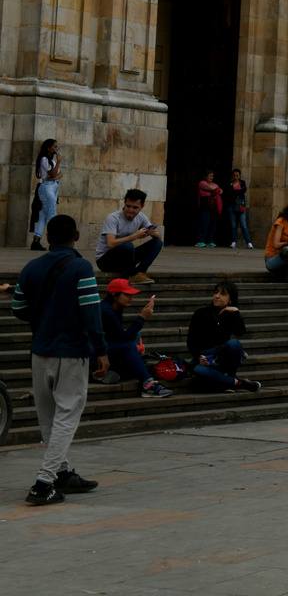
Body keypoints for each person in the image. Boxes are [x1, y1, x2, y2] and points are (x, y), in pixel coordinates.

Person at [11, 214, 106, 506]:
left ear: (47, 238)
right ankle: (43, 482)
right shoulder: (80, 267)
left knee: (49, 417)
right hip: (72, 351)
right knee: (67, 415)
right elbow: (91, 312)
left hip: (40, 352)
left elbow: (18, 308)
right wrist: (101, 350)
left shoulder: (31, 267)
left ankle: (62, 473)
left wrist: (47, 317)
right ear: (77, 236)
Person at [98, 278, 172, 398]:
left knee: (135, 356)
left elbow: (117, 336)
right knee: (128, 347)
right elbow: (123, 338)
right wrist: (141, 318)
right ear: (114, 295)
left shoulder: (114, 308)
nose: (130, 298)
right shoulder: (106, 310)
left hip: (105, 348)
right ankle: (149, 385)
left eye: (131, 294)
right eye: (127, 294)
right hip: (93, 352)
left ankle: (111, 372)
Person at [186, 280, 258, 392]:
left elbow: (241, 332)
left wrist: (235, 311)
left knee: (234, 344)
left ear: (231, 299)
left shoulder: (230, 315)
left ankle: (230, 377)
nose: (217, 296)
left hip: (221, 357)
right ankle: (236, 382)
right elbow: (190, 341)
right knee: (199, 370)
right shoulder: (201, 313)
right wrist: (199, 357)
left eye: (222, 294)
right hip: (205, 357)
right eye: (216, 292)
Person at [96, 189, 164, 284]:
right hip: (105, 260)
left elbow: (159, 236)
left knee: (157, 243)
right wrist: (135, 236)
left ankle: (138, 273)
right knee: (128, 246)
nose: (130, 210)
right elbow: (110, 244)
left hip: (125, 258)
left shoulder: (141, 217)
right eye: (128, 206)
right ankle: (132, 275)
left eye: (135, 207)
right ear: (124, 203)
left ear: (142, 207)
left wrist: (151, 232)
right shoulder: (113, 218)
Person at [33, 139, 62, 251]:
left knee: (44, 215)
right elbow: (54, 173)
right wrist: (58, 162)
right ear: (48, 148)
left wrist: (54, 176)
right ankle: (55, 241)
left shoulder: (52, 161)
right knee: (51, 213)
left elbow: (60, 174)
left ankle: (36, 239)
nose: (56, 149)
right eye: (54, 146)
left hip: (54, 186)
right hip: (47, 188)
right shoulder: (44, 159)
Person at [224, 169, 252, 249]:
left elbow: (243, 190)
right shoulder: (229, 184)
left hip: (240, 205)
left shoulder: (242, 183)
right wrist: (237, 192)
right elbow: (228, 192)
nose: (235, 177)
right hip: (231, 205)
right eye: (234, 175)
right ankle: (234, 242)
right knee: (233, 224)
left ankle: (249, 242)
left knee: (243, 224)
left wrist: (234, 192)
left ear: (239, 176)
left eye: (237, 175)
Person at [195, 170, 224, 248]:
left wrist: (214, 188)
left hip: (214, 207)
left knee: (212, 224)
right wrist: (215, 188)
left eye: (212, 176)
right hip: (205, 206)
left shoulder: (214, 184)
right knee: (204, 223)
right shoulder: (202, 183)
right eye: (210, 176)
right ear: (205, 177)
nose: (211, 177)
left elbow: (220, 191)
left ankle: (210, 240)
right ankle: (200, 240)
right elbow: (209, 188)